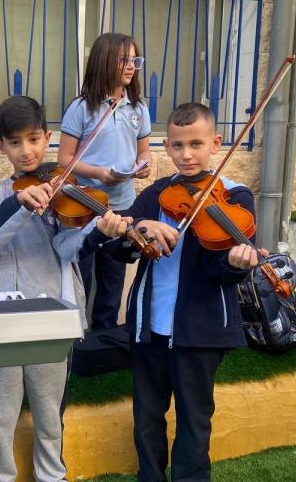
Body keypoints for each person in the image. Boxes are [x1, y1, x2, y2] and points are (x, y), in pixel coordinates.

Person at [0, 95, 130, 482]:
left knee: (49, 412)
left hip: (52, 316)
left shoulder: (64, 191)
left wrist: (96, 233)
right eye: (15, 142)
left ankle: (51, 475)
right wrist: (19, 205)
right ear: (1, 145)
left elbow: (66, 248)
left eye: (34, 139)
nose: (26, 150)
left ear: (48, 138)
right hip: (3, 321)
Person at [115, 102, 264, 482]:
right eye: (178, 146)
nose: (187, 155)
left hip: (201, 331)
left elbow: (219, 272)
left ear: (215, 143)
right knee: (147, 418)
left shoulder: (235, 197)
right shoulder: (156, 195)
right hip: (149, 328)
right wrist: (141, 227)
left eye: (196, 144)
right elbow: (120, 247)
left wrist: (235, 263)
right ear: (167, 146)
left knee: (194, 422)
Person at [58, 32, 152, 330]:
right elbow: (65, 159)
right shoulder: (81, 107)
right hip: (84, 205)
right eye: (124, 60)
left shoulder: (138, 107)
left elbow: (144, 152)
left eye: (135, 60)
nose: (131, 66)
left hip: (122, 206)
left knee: (113, 278)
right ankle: (77, 336)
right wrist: (99, 173)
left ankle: (104, 337)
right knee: (82, 276)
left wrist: (143, 166)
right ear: (104, 61)